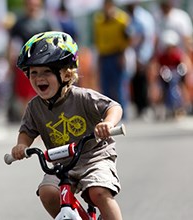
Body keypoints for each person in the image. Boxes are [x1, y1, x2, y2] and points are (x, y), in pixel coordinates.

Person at [9, 31, 123, 220]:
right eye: (34, 73)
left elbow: (114, 107)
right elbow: (27, 131)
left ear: (66, 73)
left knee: (98, 193)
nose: (39, 78)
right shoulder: (35, 107)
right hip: (62, 164)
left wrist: (107, 124)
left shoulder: (82, 97)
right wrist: (22, 145)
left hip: (94, 158)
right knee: (47, 192)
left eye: (46, 72)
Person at [7, 0, 60, 122]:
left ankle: (44, 121)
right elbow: (11, 44)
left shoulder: (46, 21)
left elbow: (56, 39)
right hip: (27, 63)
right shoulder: (20, 23)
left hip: (45, 61)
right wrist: (10, 62)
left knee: (44, 91)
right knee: (25, 94)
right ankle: (29, 122)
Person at [92, 0, 132, 119]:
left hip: (117, 55)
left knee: (119, 85)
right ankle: (107, 112)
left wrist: (123, 55)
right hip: (104, 55)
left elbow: (127, 38)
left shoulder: (122, 19)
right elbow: (97, 39)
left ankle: (122, 113)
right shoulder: (99, 20)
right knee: (105, 86)